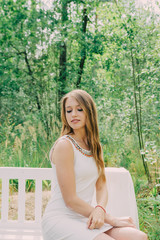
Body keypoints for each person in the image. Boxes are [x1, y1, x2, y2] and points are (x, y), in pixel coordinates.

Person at [42, 89, 147, 240]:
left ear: (89, 112)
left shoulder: (94, 146)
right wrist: (110, 218)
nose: (74, 114)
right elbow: (70, 200)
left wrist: (100, 208)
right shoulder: (64, 145)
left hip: (86, 217)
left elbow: (101, 185)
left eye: (79, 109)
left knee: (139, 237)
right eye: (68, 110)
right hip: (60, 219)